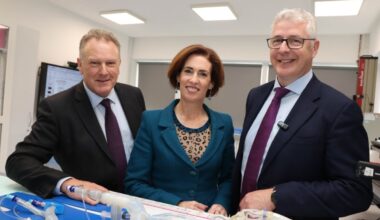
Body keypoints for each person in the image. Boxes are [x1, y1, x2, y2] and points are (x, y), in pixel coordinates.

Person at [231, 8, 373, 219]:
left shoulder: (339, 110)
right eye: (277, 40)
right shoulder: (256, 96)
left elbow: (355, 191)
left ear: (314, 48)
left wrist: (276, 197)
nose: (283, 49)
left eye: (295, 41)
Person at [6, 29, 146, 204]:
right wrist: (68, 184)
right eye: (94, 63)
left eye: (110, 63)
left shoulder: (133, 95)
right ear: (80, 65)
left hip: (140, 200)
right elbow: (18, 162)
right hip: (92, 205)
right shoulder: (57, 108)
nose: (104, 72)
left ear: (119, 64)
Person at [125, 44, 235, 215]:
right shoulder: (151, 121)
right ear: (178, 76)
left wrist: (222, 203)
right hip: (161, 215)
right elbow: (135, 183)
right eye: (188, 71)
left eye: (203, 74)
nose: (194, 79)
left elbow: (228, 178)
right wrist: (177, 203)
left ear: (211, 83)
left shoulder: (224, 123)